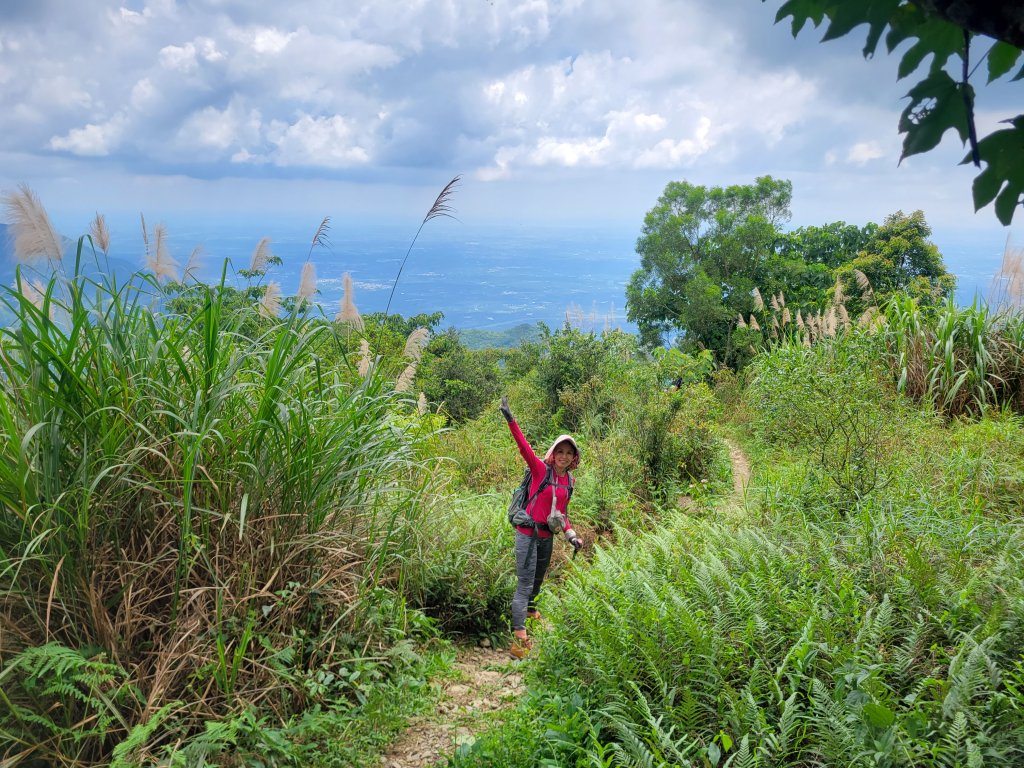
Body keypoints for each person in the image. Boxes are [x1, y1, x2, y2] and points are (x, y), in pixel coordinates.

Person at [500, 395, 583, 659]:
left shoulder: (569, 481)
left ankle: (531, 620)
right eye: (561, 451)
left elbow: (563, 515)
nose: (564, 456)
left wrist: (571, 536)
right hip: (527, 535)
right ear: (553, 453)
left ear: (573, 458)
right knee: (524, 586)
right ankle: (519, 642)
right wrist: (511, 420)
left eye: (569, 453)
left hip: (547, 537)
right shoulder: (540, 471)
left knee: (536, 584)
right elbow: (523, 447)